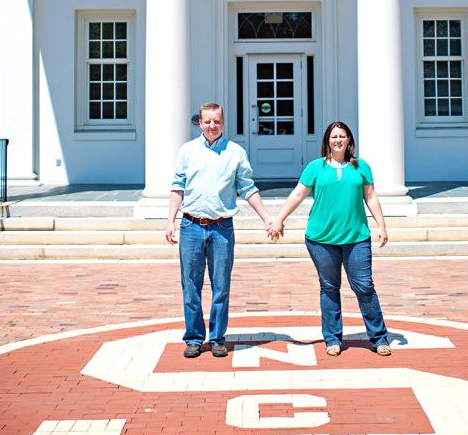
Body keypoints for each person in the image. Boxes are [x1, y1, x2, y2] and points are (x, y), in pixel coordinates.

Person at [270, 121, 392, 357]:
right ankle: (333, 338)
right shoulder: (316, 168)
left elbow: (371, 197)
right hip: (321, 239)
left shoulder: (361, 167)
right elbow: (297, 194)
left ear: (349, 140)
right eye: (334, 136)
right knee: (329, 287)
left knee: (365, 287)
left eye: (342, 136)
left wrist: (382, 226)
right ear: (327, 140)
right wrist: (279, 219)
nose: (338, 140)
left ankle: (378, 337)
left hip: (356, 238)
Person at [166, 102, 274, 359]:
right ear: (200, 123)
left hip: (222, 229)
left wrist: (267, 218)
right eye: (207, 121)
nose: (212, 126)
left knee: (221, 286)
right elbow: (177, 187)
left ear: (223, 122)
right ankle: (193, 338)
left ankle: (216, 337)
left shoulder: (235, 152)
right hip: (191, 226)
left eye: (216, 121)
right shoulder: (187, 151)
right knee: (190, 286)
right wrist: (170, 220)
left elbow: (248, 188)